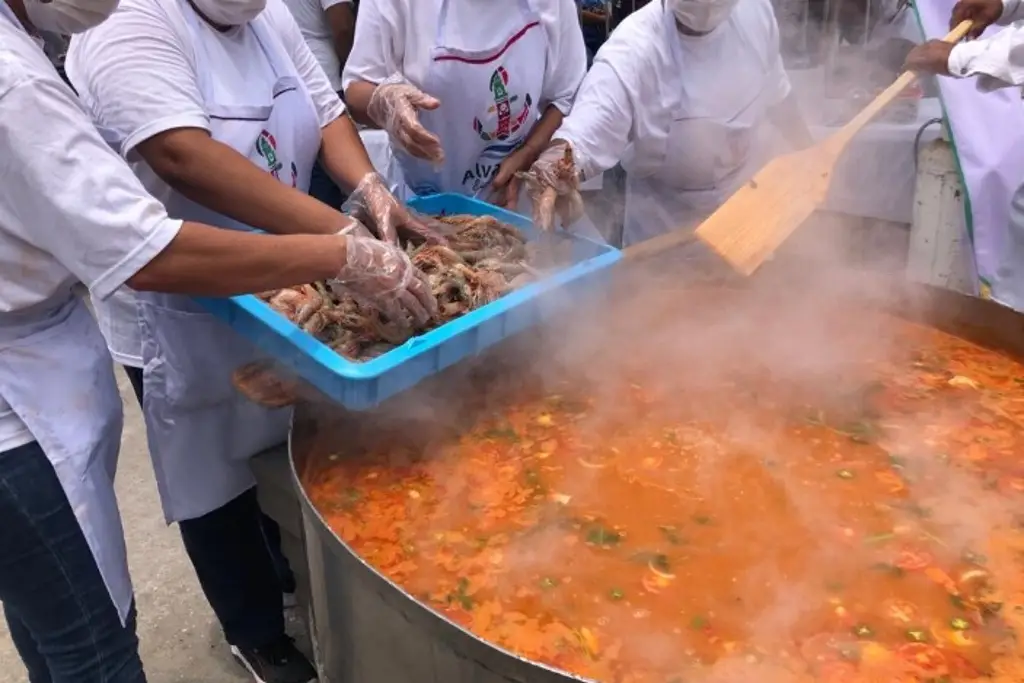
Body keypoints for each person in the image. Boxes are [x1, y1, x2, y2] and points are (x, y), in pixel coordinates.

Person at [0, 0, 435, 681]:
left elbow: (325, 112)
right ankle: (255, 630)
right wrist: (337, 244)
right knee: (212, 483)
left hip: (286, 288)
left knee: (287, 448)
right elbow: (180, 159)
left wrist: (368, 187)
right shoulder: (119, 28)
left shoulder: (266, 18)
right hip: (182, 302)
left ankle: (290, 574)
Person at [519, 0, 814, 251]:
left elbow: (779, 94)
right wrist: (553, 166)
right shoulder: (632, 52)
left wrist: (811, 155)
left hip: (744, 227)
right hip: (662, 240)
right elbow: (584, 133)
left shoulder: (755, 12)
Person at [341, 0, 587, 210]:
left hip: (511, 200)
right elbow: (357, 89)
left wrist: (530, 151)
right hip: (421, 201)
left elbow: (565, 95)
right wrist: (387, 101)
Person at [281, 0, 357, 208]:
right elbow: (342, 25)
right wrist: (354, 70)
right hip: (323, 76)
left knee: (300, 170)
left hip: (286, 80)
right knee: (324, 177)